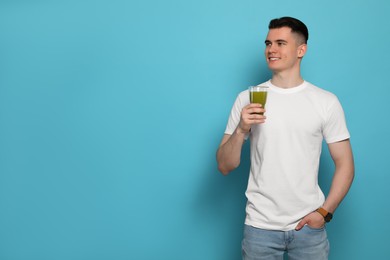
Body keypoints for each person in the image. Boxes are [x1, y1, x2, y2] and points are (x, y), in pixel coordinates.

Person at [216, 17, 354, 260]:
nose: (271, 49)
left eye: (281, 43)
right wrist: (240, 130)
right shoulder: (247, 98)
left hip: (309, 229)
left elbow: (345, 164)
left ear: (301, 50)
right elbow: (225, 165)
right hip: (259, 228)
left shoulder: (325, 102)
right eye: (268, 43)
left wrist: (324, 212)